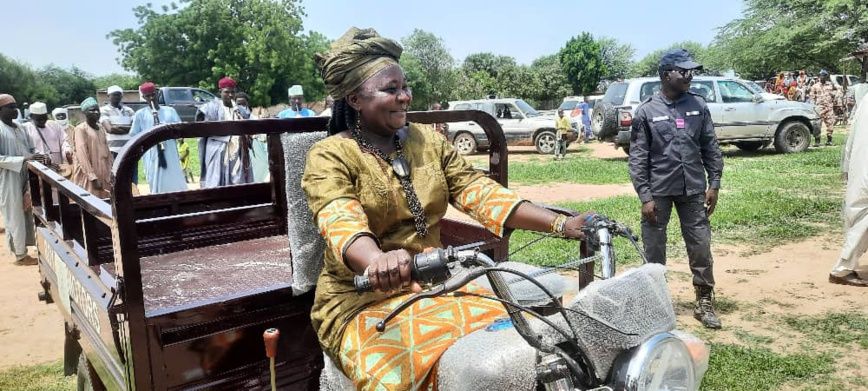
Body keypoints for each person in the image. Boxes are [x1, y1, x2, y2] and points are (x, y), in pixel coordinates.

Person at [302, 27, 594, 389]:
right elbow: (339, 220)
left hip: (439, 287)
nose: (405, 97)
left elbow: (479, 191)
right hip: (360, 302)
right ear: (354, 99)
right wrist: (377, 261)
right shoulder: (329, 156)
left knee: (526, 349)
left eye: (405, 87)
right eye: (390, 90)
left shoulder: (427, 141)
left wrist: (562, 225)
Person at [628, 49, 724, 329]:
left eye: (691, 71)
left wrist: (714, 183)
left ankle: (704, 301)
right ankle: (655, 303)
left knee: (700, 244)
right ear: (665, 74)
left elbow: (711, 147)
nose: (688, 76)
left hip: (693, 188)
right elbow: (638, 157)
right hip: (658, 191)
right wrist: (645, 196)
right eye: (682, 71)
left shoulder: (698, 106)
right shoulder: (646, 111)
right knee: (654, 247)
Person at [829, 92, 868, 287]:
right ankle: (841, 270)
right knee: (863, 222)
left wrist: (847, 166)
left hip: (859, 167)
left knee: (858, 218)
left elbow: (850, 137)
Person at [0, 94, 39, 265]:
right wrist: (22, 160)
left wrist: (34, 157)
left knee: (27, 211)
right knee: (14, 214)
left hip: (26, 173)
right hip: (8, 177)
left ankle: (26, 247)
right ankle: (20, 255)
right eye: (10, 106)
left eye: (15, 106)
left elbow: (30, 149)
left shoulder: (20, 128)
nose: (15, 109)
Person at [130, 82, 187, 194]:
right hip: (151, 153)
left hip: (170, 150)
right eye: (148, 96)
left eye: (153, 94)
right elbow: (134, 135)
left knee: (173, 176)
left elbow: (180, 130)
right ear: (144, 97)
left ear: (158, 94)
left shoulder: (170, 111)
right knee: (155, 178)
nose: (151, 98)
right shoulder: (140, 114)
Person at [196, 77, 253, 187]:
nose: (230, 95)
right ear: (220, 92)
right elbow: (202, 130)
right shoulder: (210, 108)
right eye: (227, 92)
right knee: (216, 183)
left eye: (233, 92)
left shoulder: (240, 110)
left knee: (237, 183)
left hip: (237, 151)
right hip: (218, 151)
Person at [71, 98, 113, 199]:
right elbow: (82, 155)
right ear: (85, 113)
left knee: (106, 204)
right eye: (92, 110)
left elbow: (107, 152)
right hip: (89, 176)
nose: (96, 112)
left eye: (97, 110)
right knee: (90, 204)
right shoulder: (80, 129)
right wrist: (92, 178)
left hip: (104, 173)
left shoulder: (101, 128)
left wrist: (111, 171)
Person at [23, 102, 66, 171]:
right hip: (37, 168)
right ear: (31, 117)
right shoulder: (25, 128)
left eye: (44, 118)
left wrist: (67, 151)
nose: (42, 121)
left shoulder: (54, 125)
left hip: (57, 165)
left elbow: (64, 140)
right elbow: (25, 148)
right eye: (39, 119)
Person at [809, 70, 841, 146]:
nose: (822, 77)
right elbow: (812, 97)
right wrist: (813, 107)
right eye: (821, 75)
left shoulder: (831, 85)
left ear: (826, 77)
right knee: (817, 124)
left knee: (830, 124)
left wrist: (835, 97)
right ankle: (817, 141)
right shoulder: (815, 86)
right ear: (819, 76)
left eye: (824, 75)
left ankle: (829, 140)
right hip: (819, 108)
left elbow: (839, 90)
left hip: (829, 107)